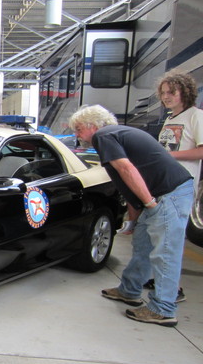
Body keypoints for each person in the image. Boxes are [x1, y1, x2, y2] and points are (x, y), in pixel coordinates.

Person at [69, 104, 193, 327]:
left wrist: (149, 203)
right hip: (161, 194)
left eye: (78, 129)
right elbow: (126, 184)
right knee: (143, 244)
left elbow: (126, 169)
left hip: (169, 194)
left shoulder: (104, 136)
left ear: (92, 125)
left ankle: (163, 309)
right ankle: (130, 290)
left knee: (165, 252)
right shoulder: (115, 135)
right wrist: (135, 218)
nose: (76, 134)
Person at [141, 69, 203, 301]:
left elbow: (200, 151)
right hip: (164, 184)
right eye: (163, 93)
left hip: (181, 185)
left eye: (172, 92)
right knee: (161, 236)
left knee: (172, 239)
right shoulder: (171, 118)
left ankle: (173, 289)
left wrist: (169, 157)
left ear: (184, 92)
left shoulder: (196, 116)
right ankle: (161, 279)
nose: (166, 97)